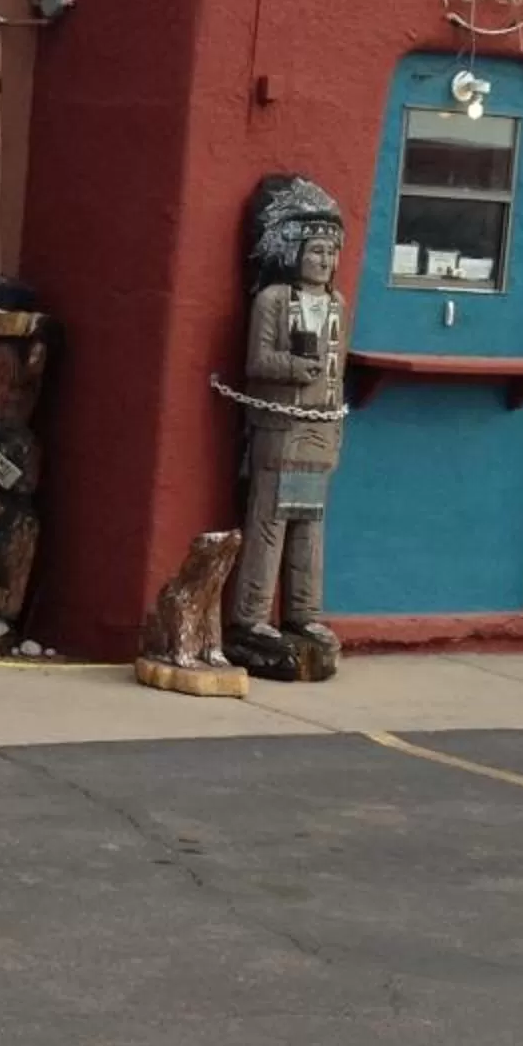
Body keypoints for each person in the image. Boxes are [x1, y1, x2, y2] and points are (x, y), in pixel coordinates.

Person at [216, 175, 350, 678]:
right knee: (269, 523)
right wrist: (295, 369)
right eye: (315, 250)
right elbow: (258, 359)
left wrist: (334, 418)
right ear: (294, 252)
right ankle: (251, 617)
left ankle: (304, 614)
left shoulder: (337, 305)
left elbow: (339, 370)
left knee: (310, 528)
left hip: (321, 428)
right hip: (281, 424)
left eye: (330, 252)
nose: (324, 261)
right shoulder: (273, 299)